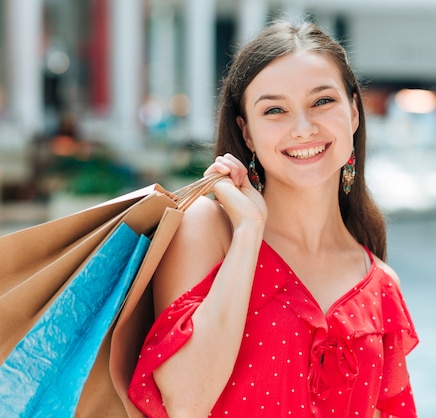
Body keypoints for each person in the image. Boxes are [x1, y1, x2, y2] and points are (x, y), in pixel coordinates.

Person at [128, 20, 418, 417]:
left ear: (353, 111)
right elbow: (185, 403)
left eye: (322, 102)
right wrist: (249, 231)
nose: (303, 128)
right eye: (275, 110)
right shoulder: (209, 230)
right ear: (246, 133)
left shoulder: (380, 283)